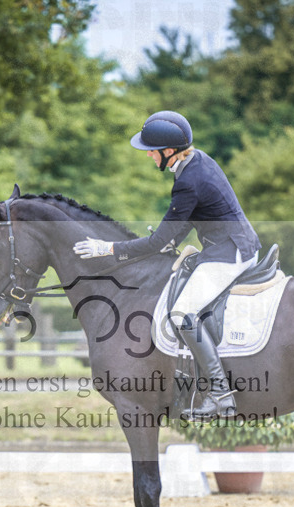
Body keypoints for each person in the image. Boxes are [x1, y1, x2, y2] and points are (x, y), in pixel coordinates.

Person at [73, 110, 261, 421]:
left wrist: (107, 248)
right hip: (227, 244)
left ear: (168, 151)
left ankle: (219, 394)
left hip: (230, 253)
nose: (149, 156)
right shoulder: (197, 160)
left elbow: (156, 242)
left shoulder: (188, 180)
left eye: (151, 151)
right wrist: (173, 239)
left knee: (181, 312)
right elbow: (191, 216)